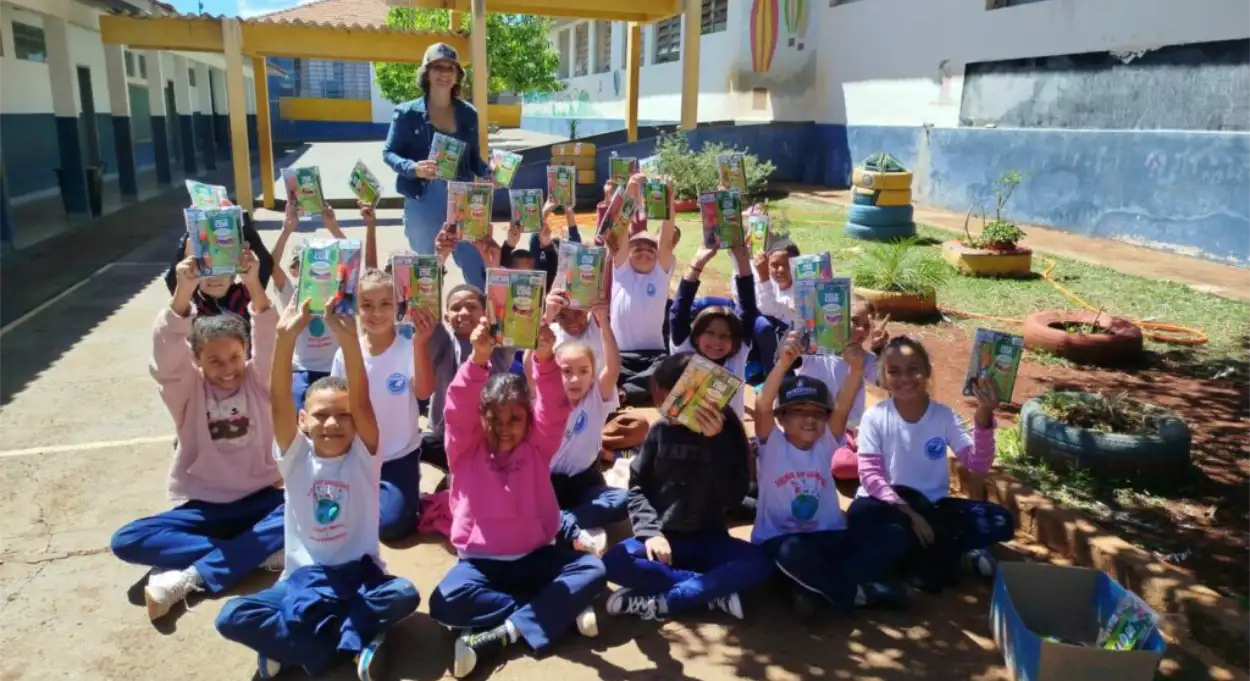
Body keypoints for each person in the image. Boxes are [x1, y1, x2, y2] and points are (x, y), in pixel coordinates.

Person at [215, 297, 420, 681]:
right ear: (303, 420)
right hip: (303, 578)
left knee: (403, 594)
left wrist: (349, 344)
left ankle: (294, 647)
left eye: (343, 415)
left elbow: (361, 400)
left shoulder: (365, 456)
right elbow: (278, 400)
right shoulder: (295, 456)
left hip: (359, 577)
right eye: (321, 415)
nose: (332, 423)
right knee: (232, 616)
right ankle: (351, 641)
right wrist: (284, 338)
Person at [111, 247, 284, 621]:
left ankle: (192, 574)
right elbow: (165, 357)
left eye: (235, 358)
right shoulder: (186, 391)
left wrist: (254, 282)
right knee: (126, 541)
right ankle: (249, 553)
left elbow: (271, 335)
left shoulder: (259, 381)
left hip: (261, 500)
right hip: (203, 509)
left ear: (246, 353)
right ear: (197, 361)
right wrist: (182, 295)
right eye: (214, 361)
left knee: (306, 512)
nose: (227, 369)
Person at [429, 319, 606, 679]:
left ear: (528, 420)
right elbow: (457, 408)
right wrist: (479, 358)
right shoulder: (464, 450)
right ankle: (553, 607)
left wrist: (543, 358)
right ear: (480, 419)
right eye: (493, 418)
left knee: (594, 569)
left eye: (515, 418)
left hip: (535, 557)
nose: (504, 426)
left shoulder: (538, 446)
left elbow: (555, 407)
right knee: (443, 604)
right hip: (481, 564)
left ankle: (505, 632)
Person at [602, 352, 772, 622]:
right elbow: (638, 487)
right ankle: (712, 591)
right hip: (663, 543)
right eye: (665, 403)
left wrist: (714, 443)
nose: (672, 410)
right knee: (614, 562)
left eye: (679, 401)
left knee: (760, 563)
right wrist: (650, 533)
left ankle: (670, 600)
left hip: (710, 540)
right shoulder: (660, 431)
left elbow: (733, 494)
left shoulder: (728, 434)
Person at [752, 333, 910, 619]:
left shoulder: (826, 442)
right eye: (798, 412)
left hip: (828, 538)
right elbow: (763, 406)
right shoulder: (771, 445)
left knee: (894, 536)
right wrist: (783, 364)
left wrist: (857, 370)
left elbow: (842, 405)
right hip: (781, 540)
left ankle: (811, 587)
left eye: (817, 413)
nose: (809, 419)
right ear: (782, 418)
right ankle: (857, 593)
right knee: (792, 553)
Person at [846, 336, 1015, 593]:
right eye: (894, 371)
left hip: (932, 508)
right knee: (874, 523)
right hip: (886, 505)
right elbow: (871, 478)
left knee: (1000, 520)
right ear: (884, 377)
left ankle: (924, 554)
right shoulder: (875, 417)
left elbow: (977, 464)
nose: (905, 378)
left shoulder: (944, 416)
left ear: (926, 371)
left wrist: (983, 415)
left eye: (913, 369)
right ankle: (944, 552)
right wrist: (910, 514)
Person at [329, 268, 434, 542]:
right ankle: (378, 498)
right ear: (356, 308)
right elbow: (338, 405)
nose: (376, 313)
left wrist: (421, 344)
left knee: (393, 525)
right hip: (357, 454)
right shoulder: (346, 353)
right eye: (367, 305)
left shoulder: (408, 347)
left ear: (399, 307)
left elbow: (424, 391)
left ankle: (401, 497)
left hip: (400, 455)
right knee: (326, 512)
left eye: (385, 304)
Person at [383, 42, 493, 289]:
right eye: (438, 67)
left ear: (457, 76)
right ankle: (429, 325)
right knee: (426, 271)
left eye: (450, 68)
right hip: (424, 200)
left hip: (464, 200)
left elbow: (473, 157)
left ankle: (478, 323)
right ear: (427, 73)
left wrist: (488, 172)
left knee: (476, 268)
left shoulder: (468, 113)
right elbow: (389, 153)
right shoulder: (406, 112)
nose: (444, 73)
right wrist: (413, 168)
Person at [418, 228, 514, 478]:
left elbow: (503, 307)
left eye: (472, 307)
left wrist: (492, 265)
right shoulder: (441, 340)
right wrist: (439, 258)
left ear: (485, 313)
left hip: (487, 435)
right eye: (455, 308)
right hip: (443, 435)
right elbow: (423, 305)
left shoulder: (496, 342)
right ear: (446, 316)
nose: (463, 313)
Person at [269, 199, 375, 411]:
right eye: (304, 263)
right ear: (294, 271)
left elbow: (352, 264)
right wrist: (286, 229)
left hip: (338, 367)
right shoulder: (293, 294)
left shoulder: (340, 290)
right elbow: (270, 265)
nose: (312, 269)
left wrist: (334, 229)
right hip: (302, 371)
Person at [544, 294, 625, 557]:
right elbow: (531, 363)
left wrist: (604, 324)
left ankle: (561, 521)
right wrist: (545, 318)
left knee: (623, 500)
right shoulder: (545, 398)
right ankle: (561, 522)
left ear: (593, 372)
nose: (575, 378)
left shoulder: (596, 397)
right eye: (566, 371)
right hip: (548, 482)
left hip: (585, 480)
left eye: (583, 371)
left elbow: (613, 367)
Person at [796, 297, 891, 480]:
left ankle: (879, 459)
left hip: (845, 433)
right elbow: (784, 358)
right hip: (810, 426)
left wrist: (882, 352)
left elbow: (886, 382)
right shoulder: (812, 352)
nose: (862, 330)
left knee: (842, 466)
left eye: (867, 325)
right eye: (855, 321)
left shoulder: (866, 359)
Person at [668, 243, 760, 420]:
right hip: (686, 437)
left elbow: (748, 308)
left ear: (734, 340)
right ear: (697, 334)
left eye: (725, 336)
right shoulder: (685, 348)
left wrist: (742, 260)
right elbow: (678, 311)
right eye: (710, 333)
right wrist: (698, 262)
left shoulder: (738, 354)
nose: (717, 342)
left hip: (728, 439)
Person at [609, 174, 677, 407]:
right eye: (637, 248)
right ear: (627, 253)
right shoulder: (622, 271)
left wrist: (669, 199)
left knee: (673, 368)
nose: (645, 252)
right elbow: (619, 231)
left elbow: (666, 241)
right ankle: (632, 387)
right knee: (598, 362)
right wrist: (630, 192)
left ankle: (625, 392)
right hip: (620, 355)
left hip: (653, 356)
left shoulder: (660, 274)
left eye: (651, 249)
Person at [164, 211, 274, 334]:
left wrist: (238, 225)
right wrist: (193, 229)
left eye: (221, 268)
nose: (214, 277)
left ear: (234, 273)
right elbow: (173, 278)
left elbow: (266, 264)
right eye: (208, 269)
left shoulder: (246, 296)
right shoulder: (191, 303)